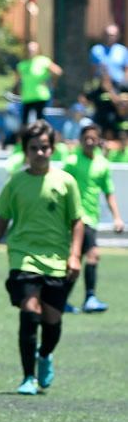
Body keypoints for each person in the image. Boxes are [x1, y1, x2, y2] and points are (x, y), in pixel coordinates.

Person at [0, 120, 84, 395]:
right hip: (23, 256)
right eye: (34, 148)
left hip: (57, 259)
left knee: (53, 321)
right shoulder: (16, 182)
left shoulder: (66, 182)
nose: (40, 153)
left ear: (52, 149)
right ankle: (27, 377)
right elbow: (2, 218)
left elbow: (77, 221)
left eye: (44, 147)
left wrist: (75, 255)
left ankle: (45, 355)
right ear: (25, 151)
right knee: (30, 309)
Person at [62, 123, 125, 314]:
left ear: (99, 140)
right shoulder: (72, 162)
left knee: (75, 261)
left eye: (93, 138)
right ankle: (89, 298)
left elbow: (108, 192)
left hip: (92, 218)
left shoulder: (102, 164)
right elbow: (60, 187)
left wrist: (117, 217)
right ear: (80, 141)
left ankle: (61, 299)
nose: (89, 141)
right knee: (93, 254)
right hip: (76, 218)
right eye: (86, 138)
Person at [15, 41, 63, 126]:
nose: (31, 51)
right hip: (27, 97)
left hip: (40, 96)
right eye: (30, 49)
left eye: (33, 49)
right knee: (24, 122)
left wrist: (50, 82)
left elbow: (58, 71)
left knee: (40, 121)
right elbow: (17, 80)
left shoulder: (44, 61)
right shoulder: (22, 64)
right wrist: (19, 90)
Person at [90, 24, 128, 92]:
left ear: (117, 36)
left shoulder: (123, 50)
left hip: (119, 84)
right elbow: (93, 69)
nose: (111, 37)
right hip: (102, 85)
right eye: (108, 35)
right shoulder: (96, 49)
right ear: (104, 35)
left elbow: (126, 69)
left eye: (113, 35)